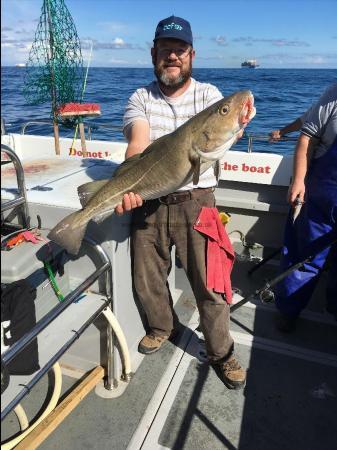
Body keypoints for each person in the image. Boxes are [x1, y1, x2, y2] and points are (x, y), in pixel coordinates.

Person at [114, 15, 246, 389]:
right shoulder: (140, 97)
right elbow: (138, 144)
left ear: (191, 54)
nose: (172, 57)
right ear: (154, 53)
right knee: (147, 277)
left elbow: (220, 133)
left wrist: (235, 119)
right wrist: (126, 189)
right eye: (165, 50)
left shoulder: (208, 96)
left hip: (197, 201)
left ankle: (222, 351)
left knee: (211, 284)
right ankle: (161, 327)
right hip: (148, 200)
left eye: (179, 50)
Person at [273, 83, 337, 332]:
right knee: (305, 255)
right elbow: (307, 136)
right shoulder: (332, 95)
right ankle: (289, 310)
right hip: (324, 194)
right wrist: (298, 180)